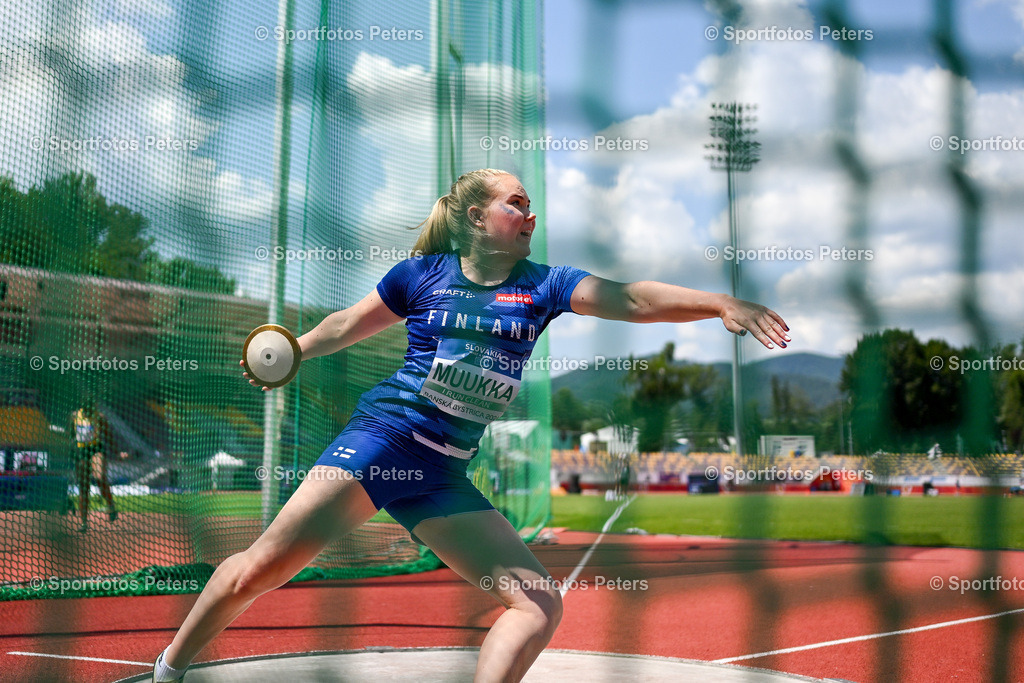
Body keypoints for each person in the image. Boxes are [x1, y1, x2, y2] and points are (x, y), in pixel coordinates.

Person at [152, 168, 790, 682]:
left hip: (444, 471)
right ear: (476, 219)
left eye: (532, 205)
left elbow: (632, 298)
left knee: (538, 603)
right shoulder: (422, 276)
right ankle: (168, 669)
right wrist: (293, 349)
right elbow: (346, 325)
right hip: (385, 438)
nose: (531, 215)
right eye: (517, 203)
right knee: (262, 570)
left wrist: (719, 303)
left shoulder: (544, 285)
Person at [71, 398, 118, 532]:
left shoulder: (99, 417)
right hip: (82, 451)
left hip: (96, 449)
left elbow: (108, 436)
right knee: (83, 487)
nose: (90, 408)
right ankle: (84, 523)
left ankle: (111, 506)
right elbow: (71, 435)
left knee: (99, 477)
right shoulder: (74, 416)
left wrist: (116, 452)